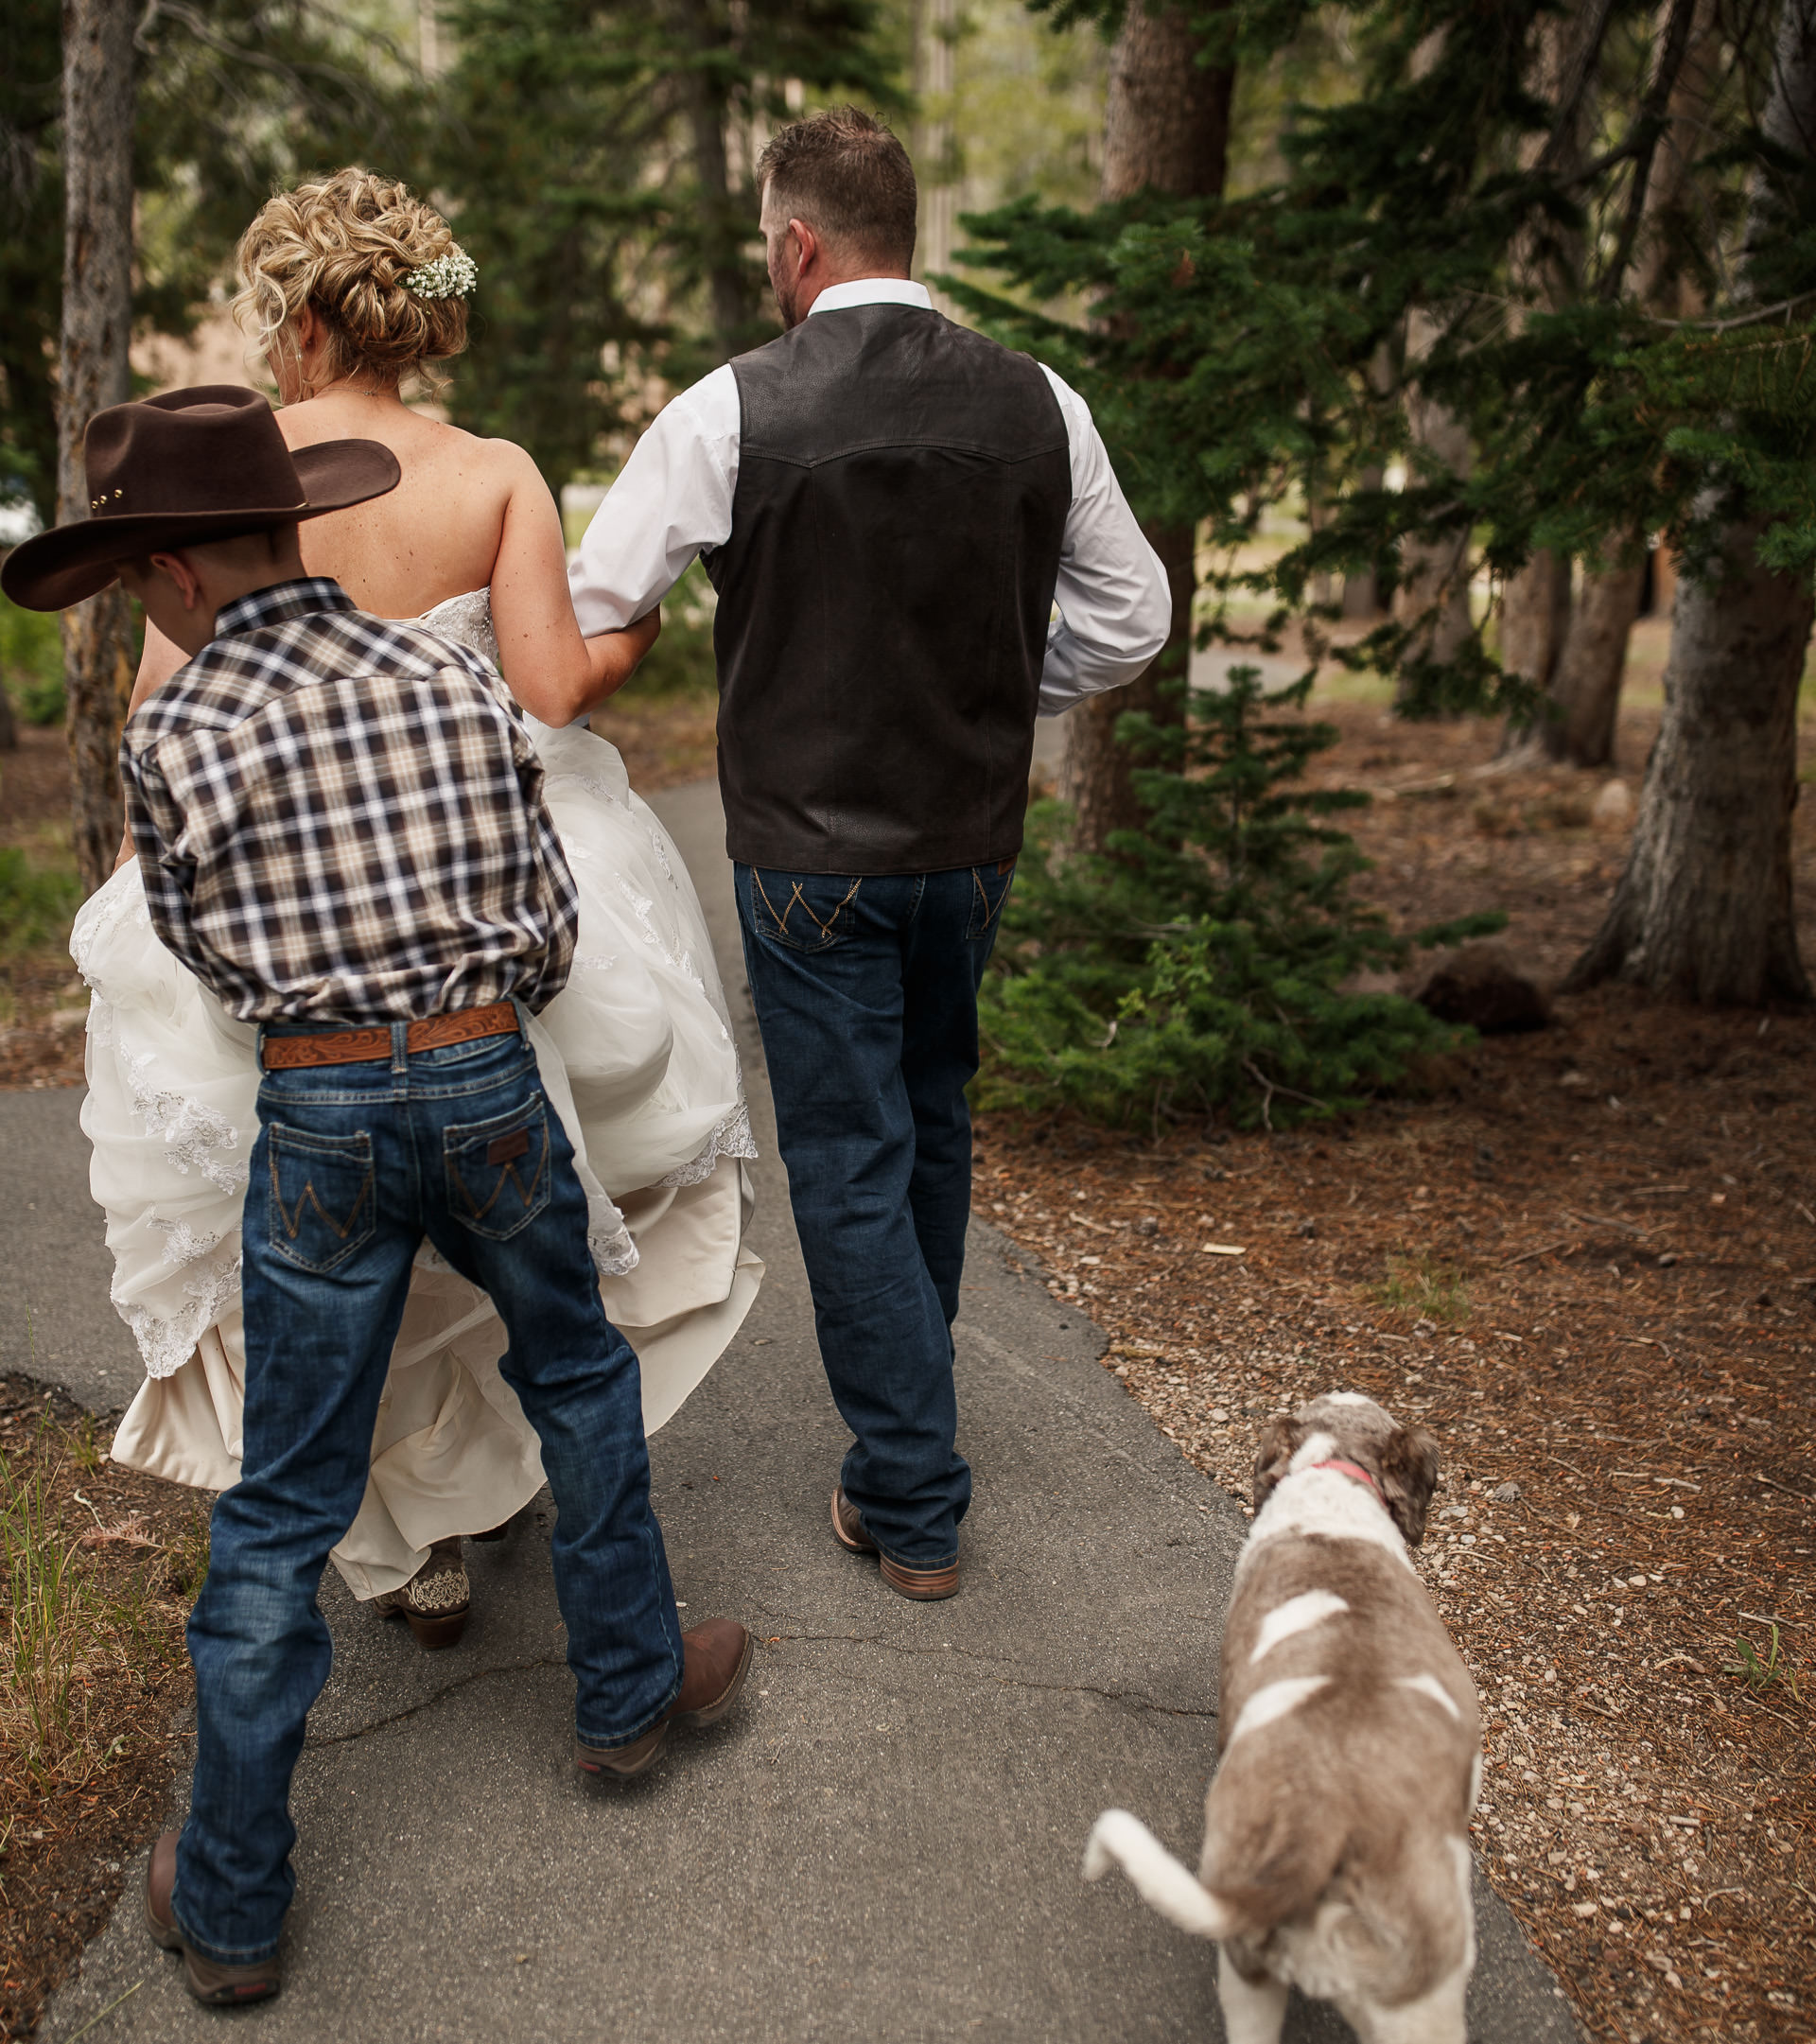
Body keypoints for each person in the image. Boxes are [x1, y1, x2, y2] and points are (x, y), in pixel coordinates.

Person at [1, 386, 753, 2005]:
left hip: (323, 1110)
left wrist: (322, 1015)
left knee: (284, 1493)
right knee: (575, 1373)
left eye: (142, 574)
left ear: (186, 576)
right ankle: (626, 1693)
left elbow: (197, 955)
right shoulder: (439, 667)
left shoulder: (179, 734)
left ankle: (230, 1897)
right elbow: (547, 912)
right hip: (490, 1075)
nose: (146, 602)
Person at [77, 168, 760, 1647]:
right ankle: (537, 1530)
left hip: (291, 915)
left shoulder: (234, 477)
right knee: (530, 1232)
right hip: (476, 889)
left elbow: (161, 721)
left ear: (312, 320)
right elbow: (547, 691)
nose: (266, 354)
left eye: (271, 320)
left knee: (319, 1255)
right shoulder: (494, 468)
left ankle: (406, 1549)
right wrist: (628, 627)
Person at [569, 108, 1170, 1600]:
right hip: (969, 844)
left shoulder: (726, 411)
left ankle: (910, 1491)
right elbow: (1133, 618)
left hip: (804, 854)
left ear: (798, 243)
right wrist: (988, 688)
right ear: (909, 238)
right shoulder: (1043, 404)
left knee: (850, 1156)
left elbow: (600, 595)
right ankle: (910, 1425)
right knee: (934, 1118)